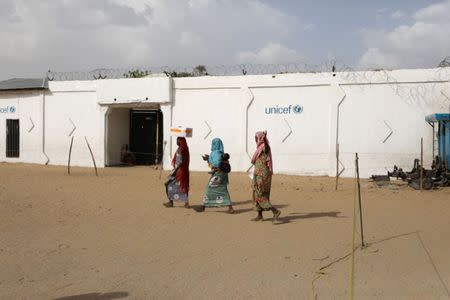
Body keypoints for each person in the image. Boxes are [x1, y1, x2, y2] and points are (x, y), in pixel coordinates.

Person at [251, 131, 281, 222]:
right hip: (257, 174)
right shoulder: (259, 148)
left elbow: (267, 149)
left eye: (256, 137)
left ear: (260, 138)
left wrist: (265, 140)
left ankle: (275, 211)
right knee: (255, 193)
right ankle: (259, 215)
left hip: (263, 175)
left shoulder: (264, 146)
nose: (255, 139)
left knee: (260, 194)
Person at [201, 138, 235, 213]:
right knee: (223, 189)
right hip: (223, 175)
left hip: (217, 174)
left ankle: (204, 206)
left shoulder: (215, 153)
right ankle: (230, 207)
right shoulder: (221, 153)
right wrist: (208, 158)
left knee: (209, 189)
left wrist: (208, 158)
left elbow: (216, 164)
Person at [164, 137, 190, 208]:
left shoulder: (183, 149)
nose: (176, 141)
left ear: (181, 141)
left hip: (180, 172)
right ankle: (184, 202)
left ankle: (172, 202)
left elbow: (181, 161)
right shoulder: (180, 149)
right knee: (181, 186)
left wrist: (175, 170)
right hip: (178, 171)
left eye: (177, 140)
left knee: (180, 185)